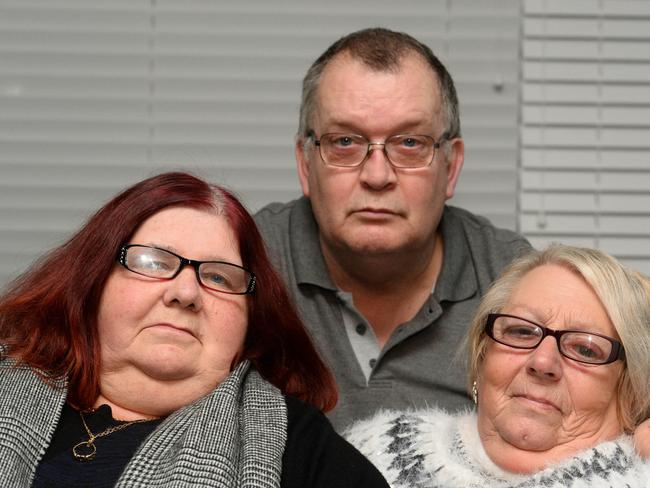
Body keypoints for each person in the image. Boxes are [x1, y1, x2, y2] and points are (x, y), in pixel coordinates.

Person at [0, 172, 389, 488]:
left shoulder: (297, 446)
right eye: (153, 262)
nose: (185, 292)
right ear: (94, 282)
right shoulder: (9, 384)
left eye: (219, 277)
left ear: (250, 322)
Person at [254, 27, 531, 430]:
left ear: (450, 167)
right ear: (305, 164)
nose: (378, 176)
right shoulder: (245, 263)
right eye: (345, 141)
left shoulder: (513, 281)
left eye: (410, 143)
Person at [345, 245, 650, 487]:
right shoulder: (373, 449)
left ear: (631, 390)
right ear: (482, 356)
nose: (543, 362)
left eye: (585, 349)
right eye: (520, 331)